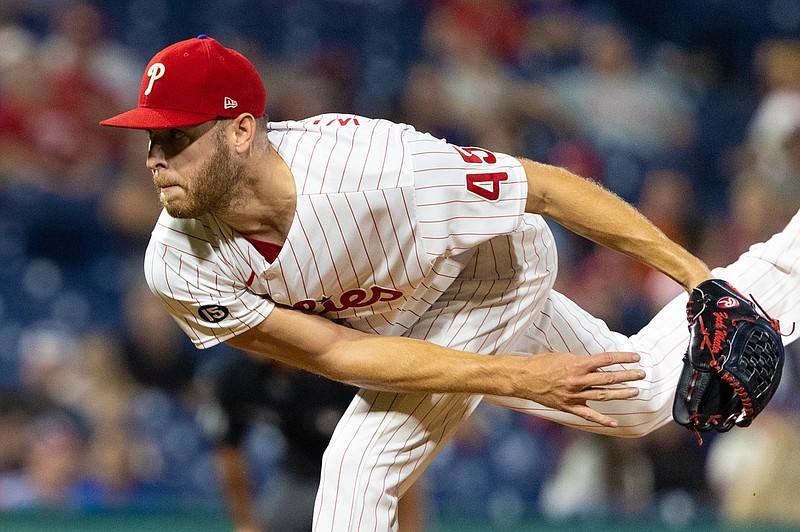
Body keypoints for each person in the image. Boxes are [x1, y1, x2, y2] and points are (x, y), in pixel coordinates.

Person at [99, 35, 800, 531]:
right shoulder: (179, 263)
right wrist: (520, 377)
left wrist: (697, 280)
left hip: (490, 266)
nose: (156, 158)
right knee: (644, 399)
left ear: (242, 130)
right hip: (403, 314)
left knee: (358, 464)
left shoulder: (378, 171)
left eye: (178, 137)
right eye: (150, 138)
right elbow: (341, 357)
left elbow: (547, 190)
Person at [200, 352, 427, 532]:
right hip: (301, 477)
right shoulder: (240, 374)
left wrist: (408, 527)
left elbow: (392, 452)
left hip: (363, 478)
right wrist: (245, 523)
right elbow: (228, 450)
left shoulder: (340, 371)